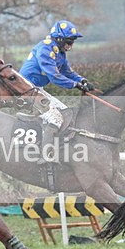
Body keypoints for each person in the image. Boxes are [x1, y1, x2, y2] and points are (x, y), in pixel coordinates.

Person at [19, 20, 94, 162]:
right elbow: (55, 76)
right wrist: (76, 85)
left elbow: (68, 72)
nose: (71, 45)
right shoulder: (46, 49)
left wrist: (82, 80)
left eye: (72, 42)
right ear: (59, 38)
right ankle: (45, 157)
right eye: (69, 41)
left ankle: (58, 150)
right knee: (56, 118)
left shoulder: (60, 52)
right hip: (26, 89)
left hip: (36, 89)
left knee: (66, 113)